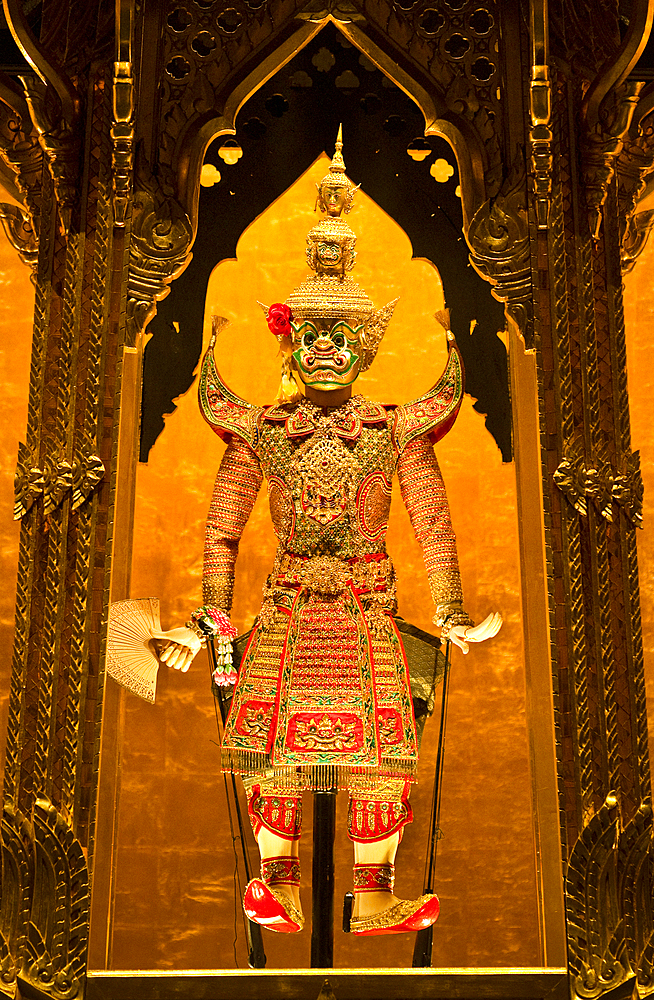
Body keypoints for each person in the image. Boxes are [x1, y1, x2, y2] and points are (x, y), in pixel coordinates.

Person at [159, 129, 501, 936]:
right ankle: (279, 887)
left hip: (365, 608)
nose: (322, 350)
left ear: (364, 343)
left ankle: (374, 894)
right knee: (273, 748)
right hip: (284, 610)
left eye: (339, 337)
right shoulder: (262, 430)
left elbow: (432, 524)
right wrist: (210, 620)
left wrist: (450, 610)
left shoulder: (394, 431)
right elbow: (220, 536)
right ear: (289, 337)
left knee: (384, 749)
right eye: (310, 335)